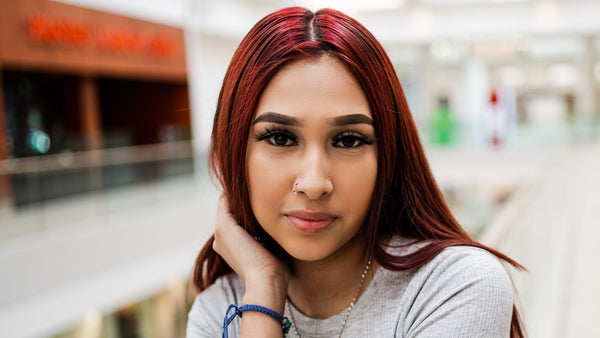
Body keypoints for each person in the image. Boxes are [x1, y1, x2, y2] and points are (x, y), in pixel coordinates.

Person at [187, 7, 525, 338]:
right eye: (280, 137)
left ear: (388, 153)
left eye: (348, 140)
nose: (315, 184)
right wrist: (263, 288)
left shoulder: (453, 287)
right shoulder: (220, 310)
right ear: (235, 150)